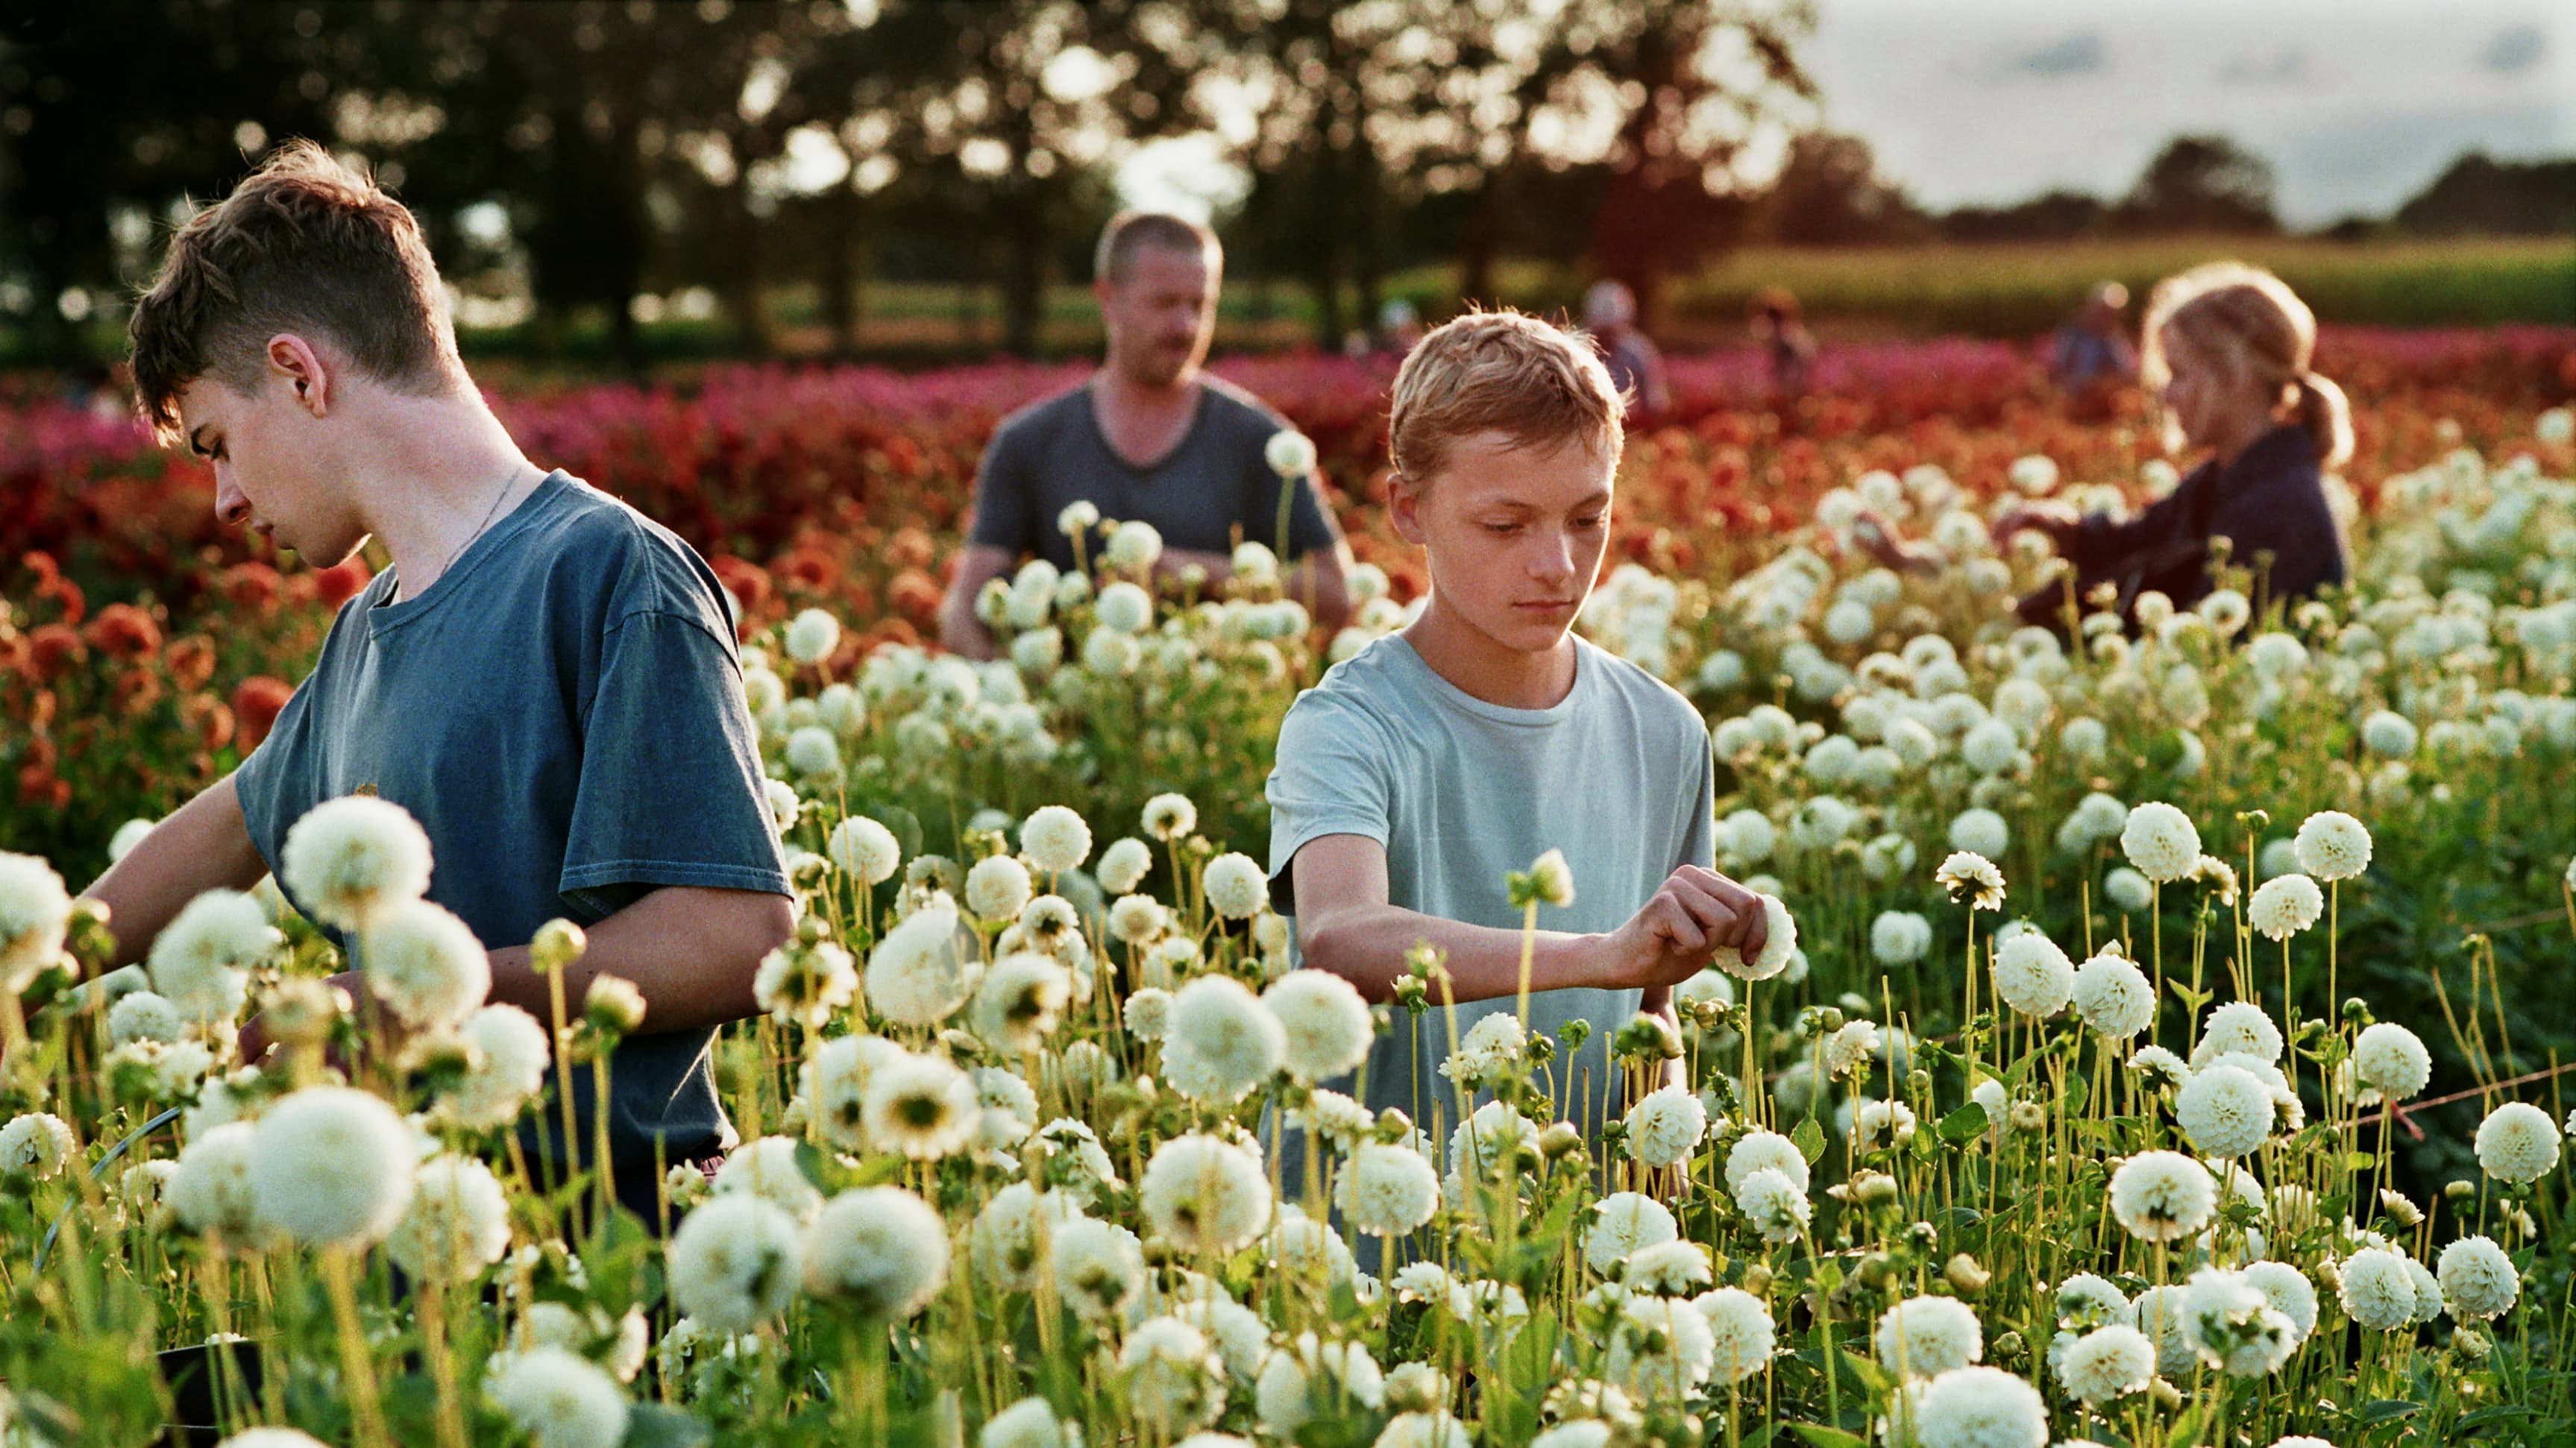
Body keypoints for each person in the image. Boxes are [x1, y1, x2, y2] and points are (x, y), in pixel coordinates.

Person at [85, 142, 794, 1220]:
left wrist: (417, 1000)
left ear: (298, 372)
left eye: (219, 443)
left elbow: (734, 936)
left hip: (615, 1246)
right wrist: (20, 969)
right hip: (418, 1256)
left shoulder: (606, 571)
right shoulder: (364, 637)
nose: (225, 499)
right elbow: (225, 827)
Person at [1265, 309, 1768, 1157]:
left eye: (1586, 519)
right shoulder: (1346, 723)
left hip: (1576, 1259)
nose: (1557, 566)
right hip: (1366, 1252)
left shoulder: (1664, 730)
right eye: (1505, 526)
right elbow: (1341, 935)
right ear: (1408, 508)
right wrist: (1599, 953)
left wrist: (1660, 1183)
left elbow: (1651, 1012)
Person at [938, 212, 1354, 658]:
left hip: (1215, 709)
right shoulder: (1028, 442)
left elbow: (1336, 594)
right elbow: (964, 609)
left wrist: (1192, 571)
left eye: (1200, 305)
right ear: (1108, 299)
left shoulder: (1261, 440)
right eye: (1164, 303)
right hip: (1075, 711)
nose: (1186, 327)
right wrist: (1013, 689)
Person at [1863, 261, 2351, 629]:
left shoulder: (2278, 508)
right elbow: (2137, 544)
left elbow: (2204, 650)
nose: (2165, 393)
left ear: (2236, 375)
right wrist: (2063, 530)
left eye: (2179, 374)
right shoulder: (2228, 480)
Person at [1583, 278, 1671, 418]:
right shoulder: (1580, 351)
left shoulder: (1639, 352)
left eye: (1612, 332)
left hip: (1630, 425)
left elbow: (1656, 404)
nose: (1607, 339)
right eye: (1602, 333)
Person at [2047, 281, 2140, 405]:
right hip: (2072, 399)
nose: (2109, 317)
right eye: (2105, 312)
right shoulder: (2072, 335)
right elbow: (2058, 368)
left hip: (2104, 402)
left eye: (2113, 314)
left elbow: (2127, 371)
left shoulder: (2114, 338)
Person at [1749, 286, 1815, 406]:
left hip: (1793, 379)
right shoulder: (1794, 330)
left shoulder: (1785, 334)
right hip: (1799, 378)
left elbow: (1790, 362)